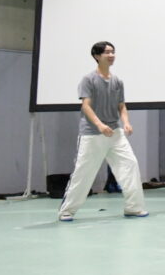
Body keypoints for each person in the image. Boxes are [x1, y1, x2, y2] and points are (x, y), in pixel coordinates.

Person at [58, 41, 148, 222]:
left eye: (113, 52)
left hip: (115, 133)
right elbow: (86, 106)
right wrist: (99, 125)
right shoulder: (88, 80)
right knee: (84, 173)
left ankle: (134, 208)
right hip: (92, 134)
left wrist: (126, 123)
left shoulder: (117, 81)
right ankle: (67, 211)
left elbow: (121, 106)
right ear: (97, 56)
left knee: (130, 165)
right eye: (107, 52)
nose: (111, 55)